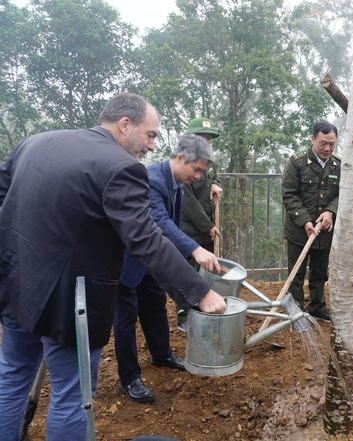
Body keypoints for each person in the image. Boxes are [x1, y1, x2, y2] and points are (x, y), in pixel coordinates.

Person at [0, 93, 226, 441]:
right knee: (72, 396)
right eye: (150, 135)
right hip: (67, 300)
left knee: (13, 376)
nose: (152, 147)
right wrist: (200, 291)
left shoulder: (36, 142)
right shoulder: (122, 167)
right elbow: (146, 238)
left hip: (16, 281)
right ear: (125, 125)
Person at [115, 134, 220, 403]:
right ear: (181, 158)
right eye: (196, 170)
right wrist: (194, 249)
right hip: (126, 261)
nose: (197, 176)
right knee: (125, 321)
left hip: (150, 261)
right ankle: (129, 378)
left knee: (155, 306)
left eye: (202, 172)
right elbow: (159, 221)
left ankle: (161, 355)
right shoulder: (151, 179)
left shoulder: (177, 183)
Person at [281, 121, 341, 323]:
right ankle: (295, 312)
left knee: (320, 272)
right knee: (296, 274)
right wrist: (305, 220)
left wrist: (331, 211)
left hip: (325, 230)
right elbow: (289, 195)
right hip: (300, 230)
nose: (327, 149)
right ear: (313, 139)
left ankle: (317, 306)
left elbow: (341, 194)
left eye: (332, 144)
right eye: (323, 143)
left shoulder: (338, 165)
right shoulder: (296, 162)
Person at [176, 117, 223, 331]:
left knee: (206, 269)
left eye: (210, 139)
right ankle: (184, 315)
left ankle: (204, 308)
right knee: (189, 271)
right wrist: (207, 225)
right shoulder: (183, 163)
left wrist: (215, 184)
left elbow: (214, 176)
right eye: (204, 138)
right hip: (190, 228)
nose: (208, 142)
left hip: (206, 226)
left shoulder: (207, 160)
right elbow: (187, 202)